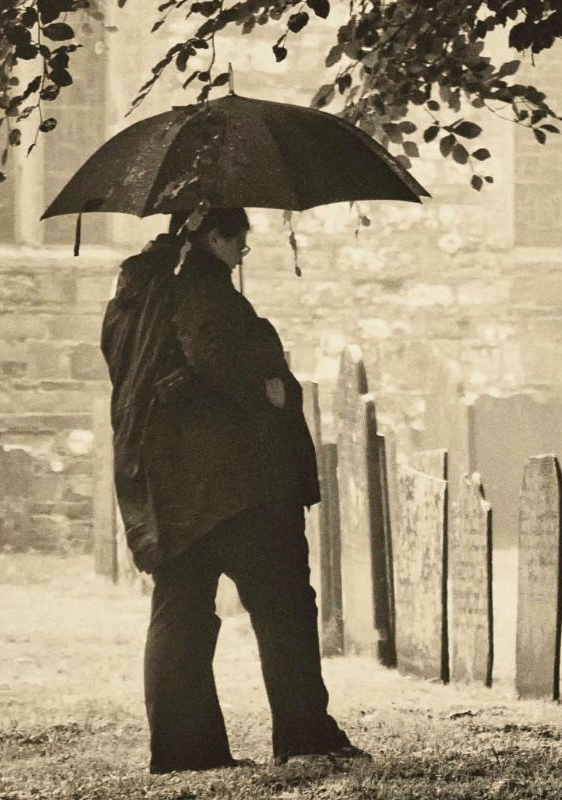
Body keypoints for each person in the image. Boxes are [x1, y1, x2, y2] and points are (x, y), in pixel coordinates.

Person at [100, 207, 365, 773]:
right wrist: (269, 387)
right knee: (284, 607)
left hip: (172, 488)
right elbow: (215, 355)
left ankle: (185, 750)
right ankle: (305, 733)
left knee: (181, 611)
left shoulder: (141, 296)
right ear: (215, 237)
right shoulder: (202, 289)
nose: (242, 252)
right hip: (240, 486)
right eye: (238, 241)